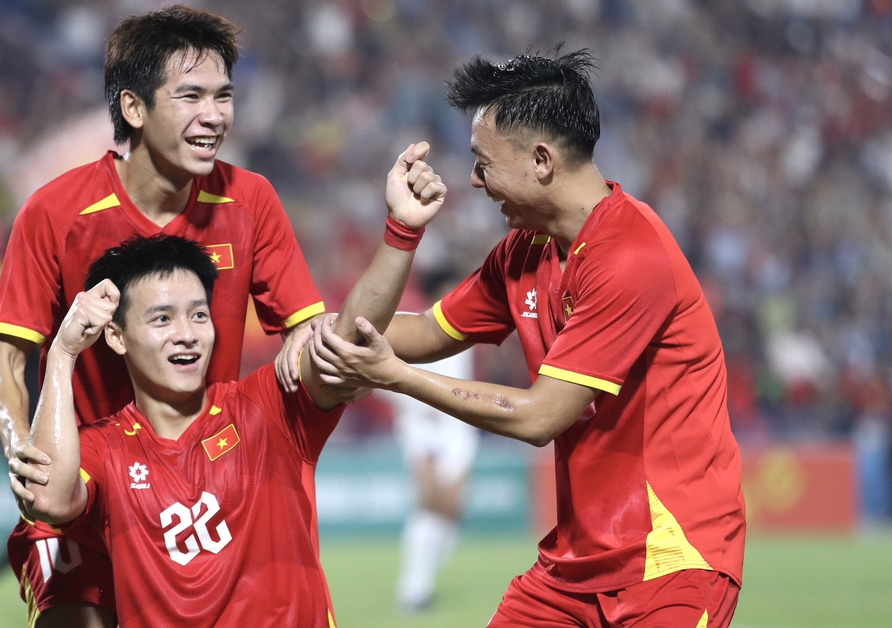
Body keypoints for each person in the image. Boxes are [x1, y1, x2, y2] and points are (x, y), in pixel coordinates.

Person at [311, 48, 746, 627]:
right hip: (574, 566)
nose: (472, 179)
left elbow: (541, 418)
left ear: (541, 160)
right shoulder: (527, 249)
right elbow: (423, 331)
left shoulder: (630, 255)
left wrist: (394, 377)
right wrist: (392, 242)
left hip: (669, 564)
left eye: (482, 161)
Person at [0, 6, 328, 627]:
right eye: (189, 95)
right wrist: (24, 454)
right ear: (133, 108)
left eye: (223, 96)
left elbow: (304, 331)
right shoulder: (54, 213)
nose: (213, 115)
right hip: (88, 485)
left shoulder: (252, 201)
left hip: (213, 483)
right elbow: (4, 358)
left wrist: (308, 369)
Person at [21, 142, 446, 626]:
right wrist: (62, 353)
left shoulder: (268, 407)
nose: (187, 334)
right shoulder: (104, 448)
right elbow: (51, 501)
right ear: (115, 336)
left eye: (199, 314)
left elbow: (346, 339)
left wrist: (401, 232)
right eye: (162, 318)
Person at [390, 271, 480, 613]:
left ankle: (427, 573)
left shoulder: (467, 329)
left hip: (458, 426)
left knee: (451, 507)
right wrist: (417, 409)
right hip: (423, 428)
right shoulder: (414, 328)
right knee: (429, 502)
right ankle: (414, 586)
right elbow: (387, 378)